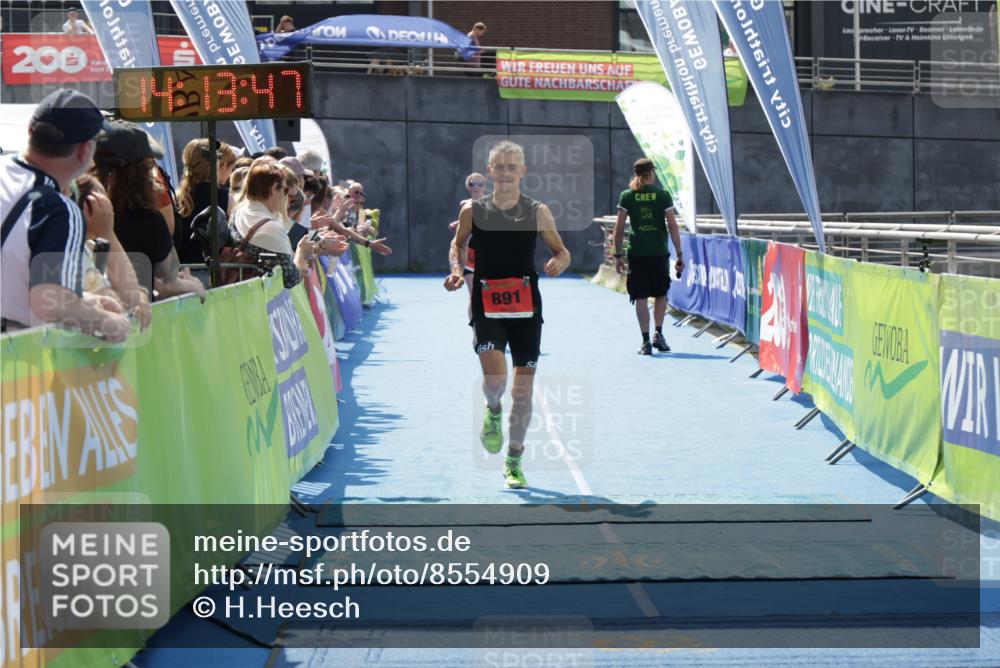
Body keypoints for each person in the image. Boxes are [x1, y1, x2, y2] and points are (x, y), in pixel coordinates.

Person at [444, 140, 571, 489]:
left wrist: (559, 262)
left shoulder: (538, 211)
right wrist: (456, 270)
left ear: (522, 171)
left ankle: (514, 460)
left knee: (523, 393)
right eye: (499, 166)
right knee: (497, 383)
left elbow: (562, 251)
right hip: (487, 304)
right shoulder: (472, 210)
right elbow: (458, 244)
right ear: (490, 171)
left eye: (511, 167)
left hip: (526, 306)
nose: (505, 173)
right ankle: (493, 409)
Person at [0, 88, 129, 340]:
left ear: (31, 132)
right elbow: (50, 302)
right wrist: (109, 322)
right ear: (84, 151)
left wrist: (85, 301)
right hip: (12, 354)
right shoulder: (58, 209)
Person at [92, 120, 206, 301]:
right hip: (137, 313)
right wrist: (196, 286)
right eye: (150, 165)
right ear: (139, 173)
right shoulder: (150, 222)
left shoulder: (80, 215)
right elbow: (170, 283)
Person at [229, 160, 343, 289]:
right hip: (254, 294)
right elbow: (291, 278)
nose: (286, 198)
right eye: (286, 190)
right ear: (274, 189)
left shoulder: (240, 209)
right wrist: (302, 252)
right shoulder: (271, 227)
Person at [613, 158, 685, 356]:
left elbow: (619, 229)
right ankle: (658, 334)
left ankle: (645, 341)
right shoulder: (662, 194)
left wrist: (617, 256)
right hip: (658, 252)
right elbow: (673, 226)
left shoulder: (627, 195)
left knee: (640, 297)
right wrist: (679, 254)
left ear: (636, 174)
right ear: (651, 172)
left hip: (636, 253)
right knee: (661, 294)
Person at [174, 138, 237, 263]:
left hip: (182, 268)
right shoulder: (225, 197)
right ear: (213, 164)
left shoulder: (177, 196)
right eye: (218, 158)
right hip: (212, 268)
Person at [449, 172, 487, 301]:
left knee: (487, 295)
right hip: (468, 253)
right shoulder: (464, 204)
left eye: (479, 184)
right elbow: (465, 221)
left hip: (487, 254)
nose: (476, 187)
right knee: (473, 294)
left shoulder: (492, 203)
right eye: (472, 184)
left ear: (484, 187)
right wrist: (457, 223)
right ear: (468, 187)